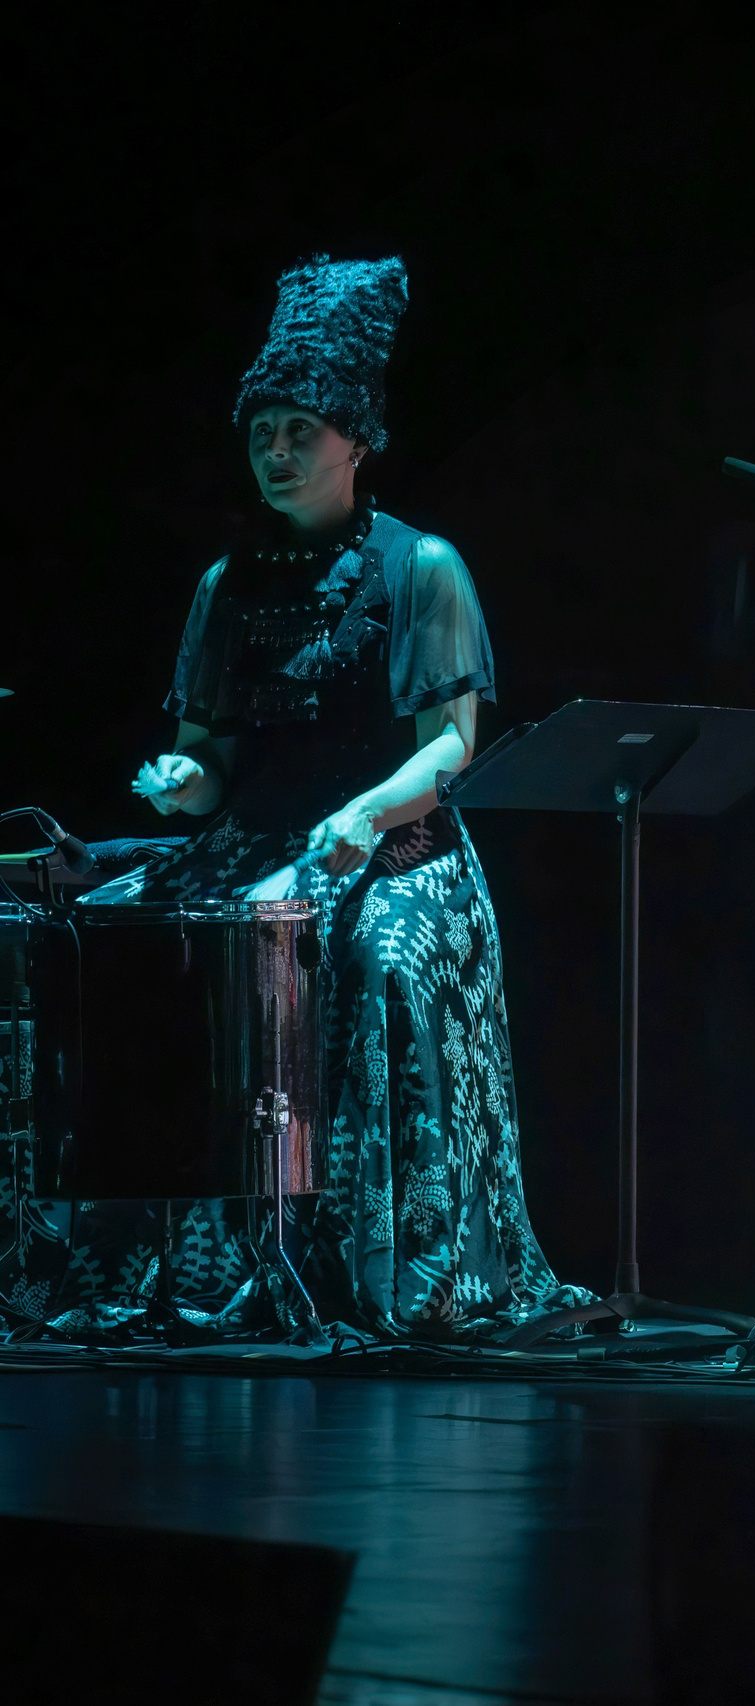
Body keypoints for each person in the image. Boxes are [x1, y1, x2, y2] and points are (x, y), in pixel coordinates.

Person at [3, 257, 588, 1340]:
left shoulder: (423, 567)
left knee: (373, 955)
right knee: (114, 934)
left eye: (300, 432)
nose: (277, 452)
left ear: (355, 441)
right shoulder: (228, 585)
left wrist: (361, 818)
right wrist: (185, 780)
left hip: (401, 840)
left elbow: (452, 746)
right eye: (263, 431)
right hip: (259, 836)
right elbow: (205, 760)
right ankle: (162, 1259)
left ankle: (375, 1262)